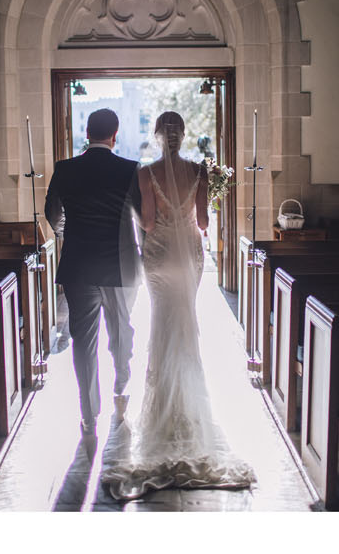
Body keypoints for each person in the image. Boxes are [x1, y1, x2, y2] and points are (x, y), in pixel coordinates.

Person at [96, 111, 255, 500]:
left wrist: (150, 218)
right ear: (182, 136)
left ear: (157, 136)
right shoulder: (199, 172)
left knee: (162, 323)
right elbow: (202, 221)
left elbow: (148, 222)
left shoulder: (145, 174)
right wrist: (200, 202)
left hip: (159, 253)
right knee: (186, 322)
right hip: (188, 258)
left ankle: (163, 405)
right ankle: (189, 403)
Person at [45, 108, 142, 436]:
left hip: (79, 264)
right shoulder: (129, 169)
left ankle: (89, 413)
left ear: (87, 133)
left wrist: (68, 235)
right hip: (120, 264)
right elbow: (142, 217)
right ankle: (120, 392)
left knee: (82, 341)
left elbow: (52, 213)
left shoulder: (65, 169)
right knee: (121, 331)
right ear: (115, 135)